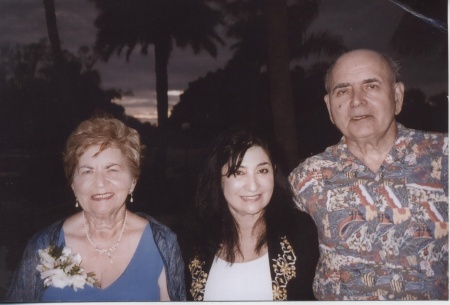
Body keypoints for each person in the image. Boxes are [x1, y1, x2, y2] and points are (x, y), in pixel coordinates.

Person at [289, 49, 448, 300]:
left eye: (371, 86)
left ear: (397, 96)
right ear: (329, 107)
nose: (356, 101)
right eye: (342, 91)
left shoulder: (444, 156)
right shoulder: (306, 178)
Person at [5, 117, 186, 302]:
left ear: (133, 180)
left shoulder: (162, 245)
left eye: (112, 169)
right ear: (73, 184)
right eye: (87, 171)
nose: (100, 183)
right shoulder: (42, 245)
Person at [183, 128, 319, 301]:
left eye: (262, 171)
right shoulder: (192, 241)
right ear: (217, 179)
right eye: (239, 172)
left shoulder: (301, 231)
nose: (253, 186)